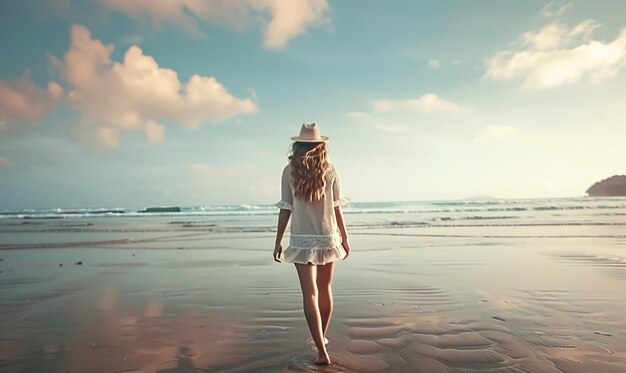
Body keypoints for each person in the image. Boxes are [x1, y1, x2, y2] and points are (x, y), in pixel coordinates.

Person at [273, 123, 350, 366]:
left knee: (310, 294)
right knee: (325, 289)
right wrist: (345, 238)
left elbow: (286, 208)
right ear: (320, 145)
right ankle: (322, 339)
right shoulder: (331, 170)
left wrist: (277, 241)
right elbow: (337, 207)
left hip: (301, 239)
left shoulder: (289, 171)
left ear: (298, 145)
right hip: (328, 236)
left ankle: (320, 350)